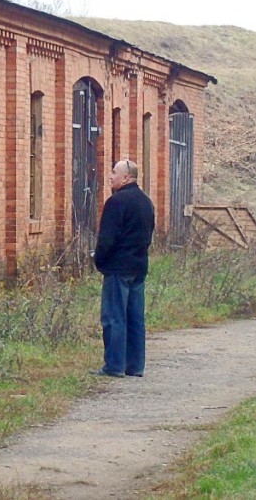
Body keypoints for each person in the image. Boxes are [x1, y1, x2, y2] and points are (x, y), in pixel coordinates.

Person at [92, 159, 155, 378]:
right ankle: (135, 366)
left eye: (114, 172)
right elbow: (149, 234)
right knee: (135, 318)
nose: (110, 176)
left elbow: (107, 238)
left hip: (118, 268)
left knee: (114, 317)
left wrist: (99, 260)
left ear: (126, 177)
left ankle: (114, 366)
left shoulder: (116, 202)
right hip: (138, 267)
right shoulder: (146, 202)